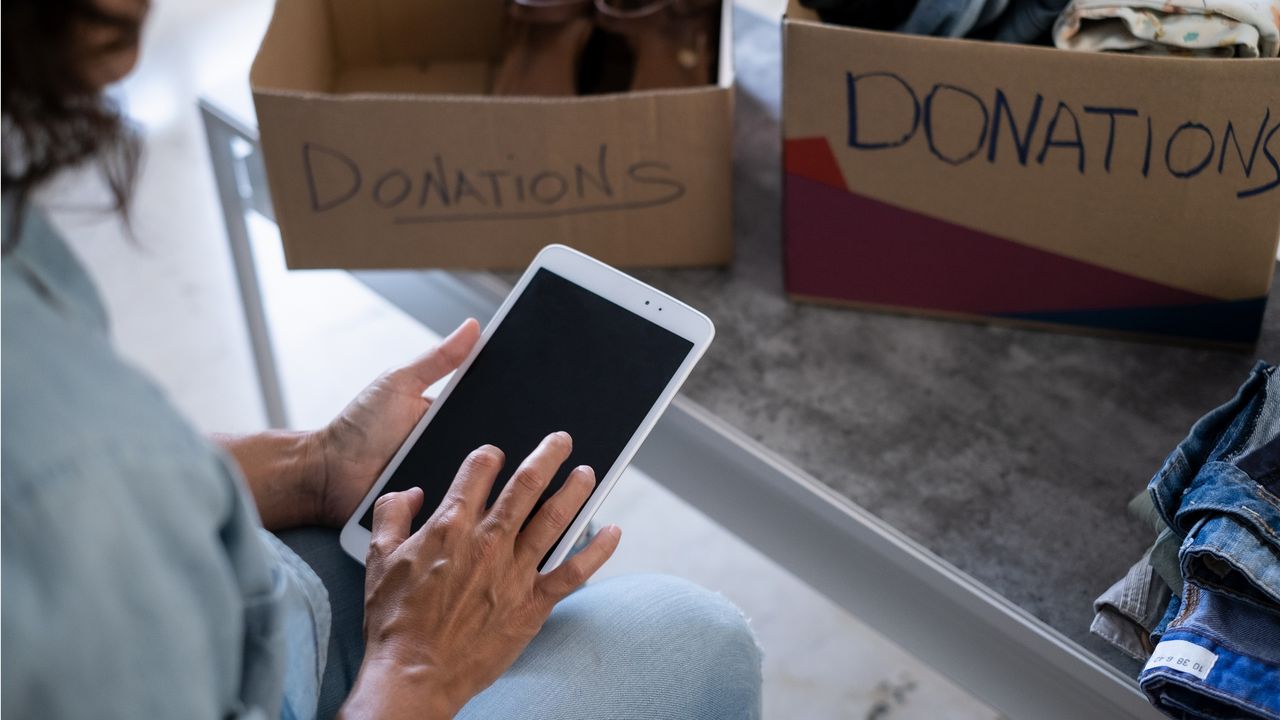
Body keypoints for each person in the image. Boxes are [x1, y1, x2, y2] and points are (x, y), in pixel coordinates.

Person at [0, 1, 763, 718]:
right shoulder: (66, 475)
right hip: (255, 677)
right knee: (695, 634)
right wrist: (416, 673)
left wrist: (312, 466)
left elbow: (118, 500)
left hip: (231, 593)